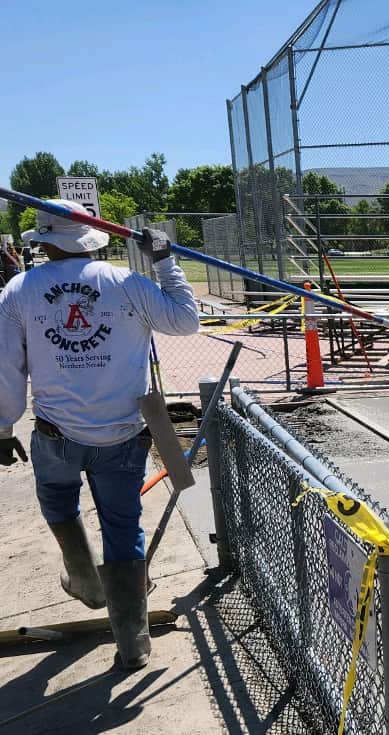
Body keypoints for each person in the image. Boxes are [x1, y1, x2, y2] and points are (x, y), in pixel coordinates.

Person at [0, 199, 199, 670]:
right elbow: (186, 320)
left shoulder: (19, 290)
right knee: (123, 526)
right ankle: (134, 644)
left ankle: (87, 582)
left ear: (44, 242)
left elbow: (6, 368)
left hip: (56, 434)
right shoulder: (127, 284)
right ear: (89, 239)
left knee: (58, 504)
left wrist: (3, 425)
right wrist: (166, 262)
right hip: (124, 436)